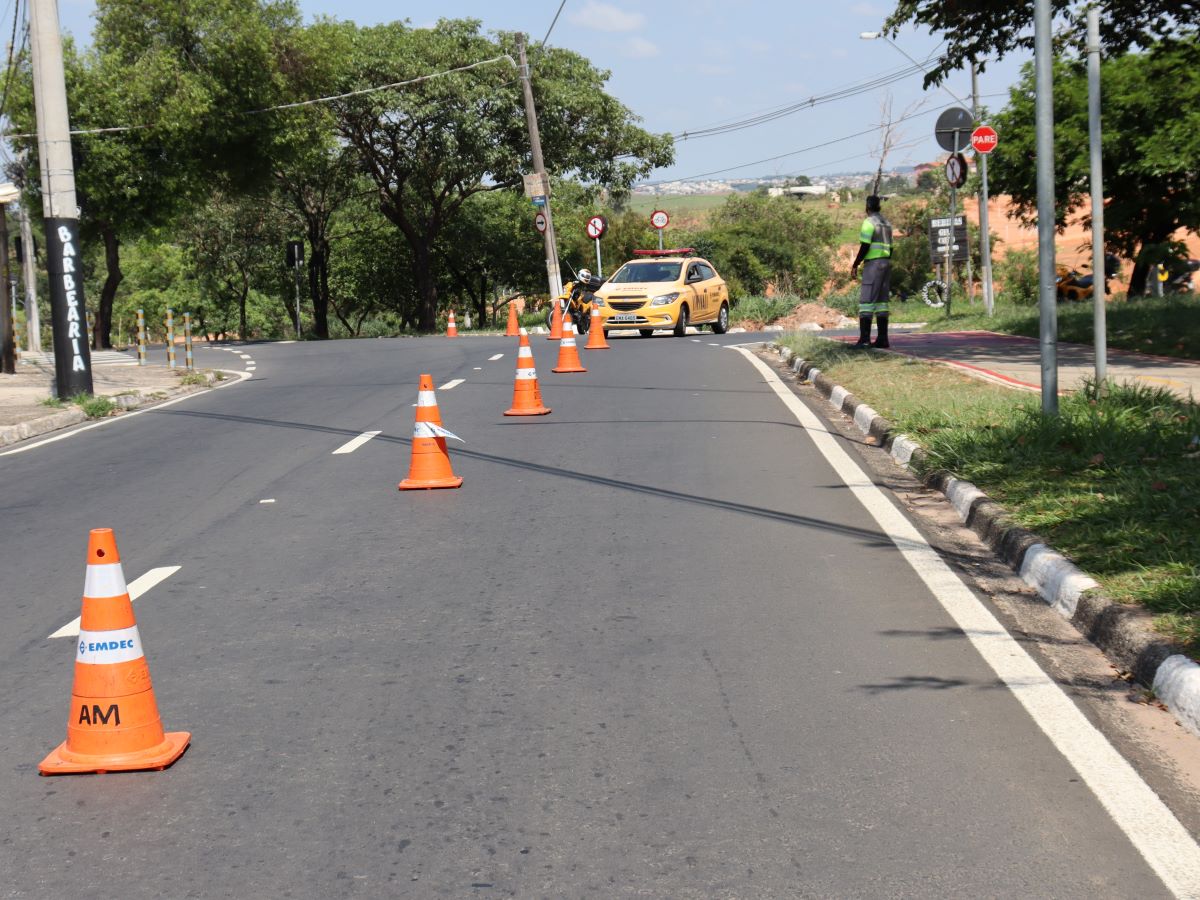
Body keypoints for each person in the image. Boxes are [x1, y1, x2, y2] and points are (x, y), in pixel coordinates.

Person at [849, 194, 893, 348]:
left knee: (866, 301)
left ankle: (865, 339)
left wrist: (855, 264)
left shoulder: (868, 223)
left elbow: (865, 245)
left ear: (867, 207)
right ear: (879, 207)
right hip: (886, 263)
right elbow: (891, 247)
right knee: (882, 302)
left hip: (873, 265)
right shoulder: (886, 223)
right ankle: (883, 339)